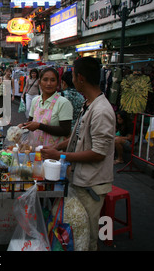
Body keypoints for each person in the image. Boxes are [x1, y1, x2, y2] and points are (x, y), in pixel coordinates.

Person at [41, 57, 116, 251]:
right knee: (76, 234)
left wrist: (61, 157)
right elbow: (78, 138)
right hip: (79, 179)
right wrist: (58, 149)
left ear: (80, 78)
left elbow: (98, 153)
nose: (71, 79)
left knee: (88, 238)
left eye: (73, 75)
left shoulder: (101, 111)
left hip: (92, 184)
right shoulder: (88, 104)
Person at [19, 67, 73, 148]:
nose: (49, 83)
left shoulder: (63, 103)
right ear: (39, 82)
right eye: (45, 80)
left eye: (53, 80)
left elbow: (65, 131)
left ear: (58, 83)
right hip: (35, 150)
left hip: (53, 152)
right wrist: (22, 125)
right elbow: (30, 121)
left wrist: (40, 126)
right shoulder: (35, 100)